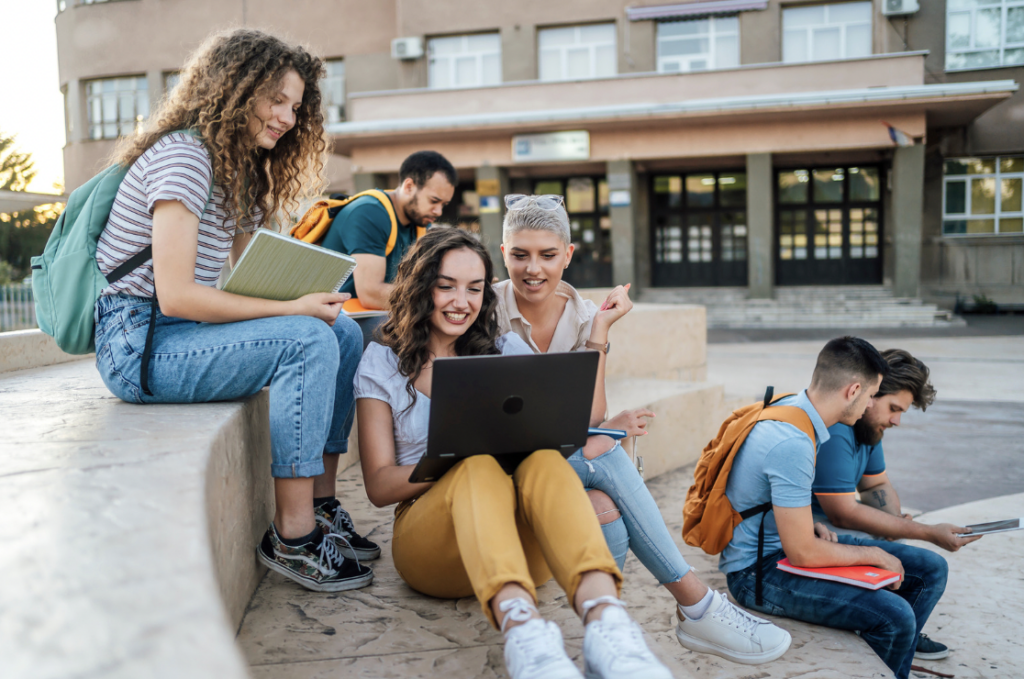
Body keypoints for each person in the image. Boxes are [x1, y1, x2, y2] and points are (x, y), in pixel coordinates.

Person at [92, 29, 376, 592]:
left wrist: (306, 292)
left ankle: (320, 507)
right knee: (306, 338)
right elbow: (174, 295)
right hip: (140, 344)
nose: (288, 118)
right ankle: (292, 538)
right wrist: (294, 309)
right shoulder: (184, 158)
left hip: (179, 332)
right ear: (236, 88)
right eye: (277, 100)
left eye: (296, 108)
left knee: (340, 330)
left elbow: (252, 271)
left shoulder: (237, 167)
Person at [355, 226, 673, 679]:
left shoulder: (502, 347)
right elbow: (379, 487)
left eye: (474, 288)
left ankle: (609, 625)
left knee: (541, 457)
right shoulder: (382, 361)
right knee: (477, 462)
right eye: (445, 286)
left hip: (524, 543)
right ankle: (525, 637)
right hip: (433, 548)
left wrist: (599, 329)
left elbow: (571, 422)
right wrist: (455, 455)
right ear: (419, 285)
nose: (461, 301)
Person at [494, 194, 791, 665]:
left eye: (548, 255)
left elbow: (589, 415)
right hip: (502, 464)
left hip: (558, 461)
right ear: (503, 251)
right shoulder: (483, 307)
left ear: (568, 255)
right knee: (603, 455)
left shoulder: (582, 312)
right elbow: (496, 422)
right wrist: (591, 440)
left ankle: (605, 646)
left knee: (603, 505)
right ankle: (697, 604)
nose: (534, 269)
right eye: (520, 254)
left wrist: (600, 331)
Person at [720, 337, 950, 679]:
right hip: (755, 573)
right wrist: (874, 554)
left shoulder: (799, 413)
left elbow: (769, 504)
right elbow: (803, 554)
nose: (871, 404)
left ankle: (887, 650)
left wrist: (805, 523)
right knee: (896, 616)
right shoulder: (794, 441)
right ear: (854, 390)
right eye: (872, 396)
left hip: (780, 547)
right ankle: (890, 646)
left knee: (930, 567)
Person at [812, 348, 981, 661]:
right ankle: (892, 630)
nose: (897, 421)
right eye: (893, 408)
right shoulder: (838, 428)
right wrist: (925, 531)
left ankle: (902, 632)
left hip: (834, 528)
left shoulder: (868, 428)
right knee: (925, 563)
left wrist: (894, 523)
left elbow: (876, 484)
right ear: (869, 393)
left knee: (899, 540)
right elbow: (843, 512)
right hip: (818, 534)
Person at [320, 150, 457, 345]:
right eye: (434, 201)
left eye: (444, 204)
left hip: (373, 313)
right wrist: (437, 296)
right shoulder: (370, 212)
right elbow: (370, 293)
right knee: (416, 331)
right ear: (409, 186)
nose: (438, 211)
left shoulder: (419, 222)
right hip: (338, 318)